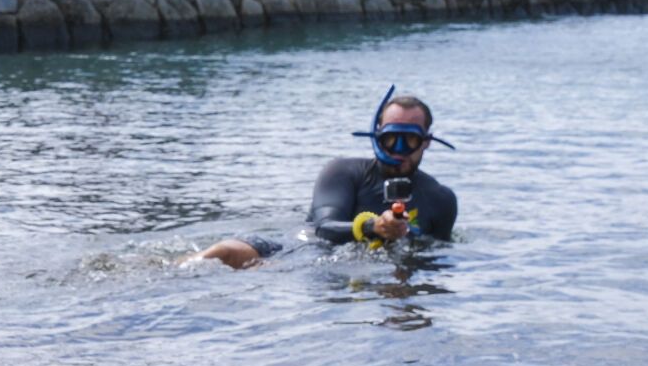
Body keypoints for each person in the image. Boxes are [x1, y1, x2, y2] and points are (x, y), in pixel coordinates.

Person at [195, 87, 459, 270]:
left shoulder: (441, 199)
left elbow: (434, 257)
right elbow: (324, 226)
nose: (398, 150)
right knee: (223, 253)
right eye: (391, 139)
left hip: (355, 278)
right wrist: (373, 226)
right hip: (294, 251)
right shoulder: (342, 172)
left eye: (409, 140)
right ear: (377, 136)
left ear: (426, 142)